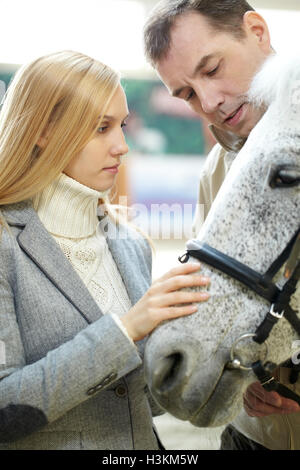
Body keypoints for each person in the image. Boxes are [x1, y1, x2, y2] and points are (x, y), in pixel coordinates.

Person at [0, 50, 211, 450]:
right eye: (101, 128)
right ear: (42, 130)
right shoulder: (5, 243)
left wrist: (211, 364)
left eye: (123, 125)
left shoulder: (130, 244)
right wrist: (126, 329)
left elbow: (140, 402)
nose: (122, 146)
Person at [143, 0, 300, 451]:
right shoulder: (216, 170)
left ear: (256, 30)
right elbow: (217, 298)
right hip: (250, 438)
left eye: (211, 69)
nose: (208, 102)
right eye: (188, 94)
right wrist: (246, 375)